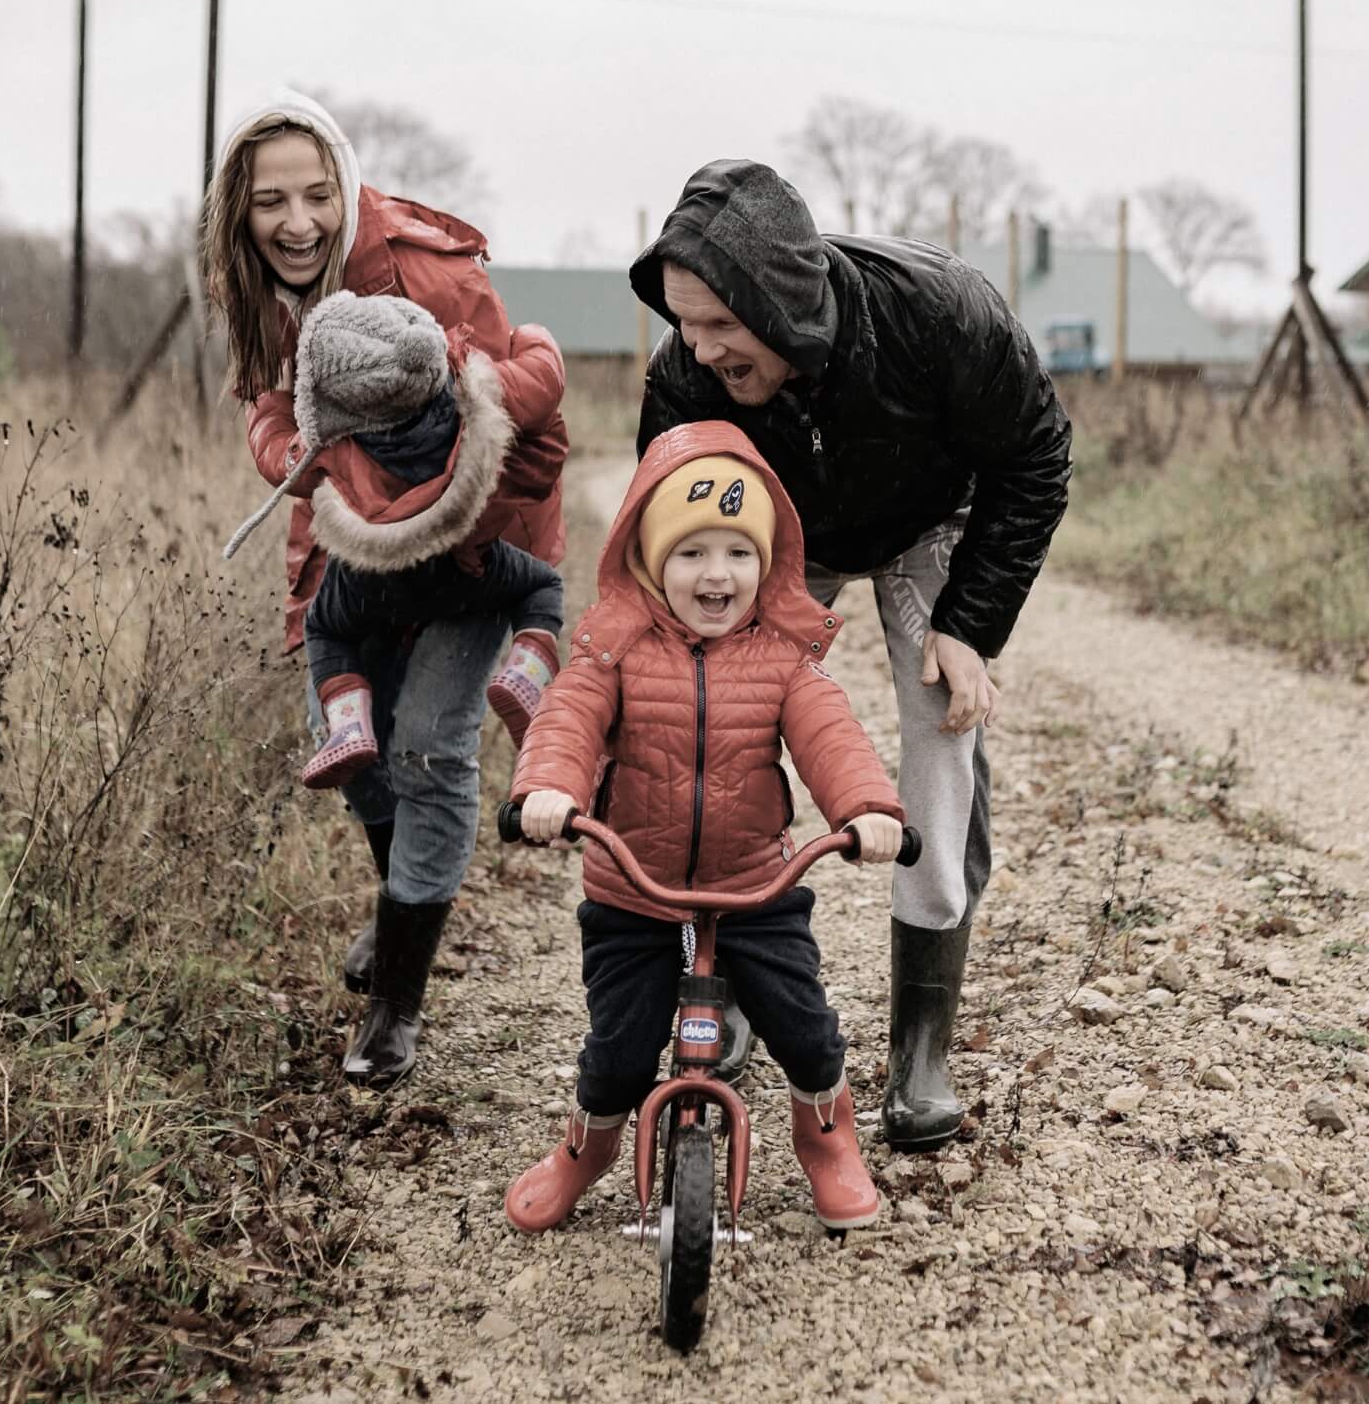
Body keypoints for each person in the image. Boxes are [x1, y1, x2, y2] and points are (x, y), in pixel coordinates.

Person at [631, 160, 1072, 1151]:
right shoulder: (684, 377)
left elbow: (1035, 460)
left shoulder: (944, 315)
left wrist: (969, 624)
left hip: (931, 517)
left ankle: (922, 1053)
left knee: (940, 733)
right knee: (721, 718)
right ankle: (725, 973)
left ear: (777, 298)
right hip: (778, 534)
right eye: (683, 324)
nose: (695, 348)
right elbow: (663, 522)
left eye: (716, 324)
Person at [207, 89, 568, 1088]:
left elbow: (525, 409)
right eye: (269, 201)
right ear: (236, 212)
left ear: (347, 188)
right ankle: (397, 909)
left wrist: (457, 532)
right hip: (350, 542)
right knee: (356, 750)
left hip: (470, 545)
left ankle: (396, 1005)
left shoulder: (413, 272)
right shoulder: (264, 288)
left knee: (426, 746)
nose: (296, 222)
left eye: (318, 195)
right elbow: (268, 406)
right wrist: (295, 454)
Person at [504, 423, 903, 1233]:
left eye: (736, 552)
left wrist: (865, 810)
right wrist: (547, 788)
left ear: (767, 563)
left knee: (806, 1029)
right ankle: (587, 1148)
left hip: (757, 886)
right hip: (632, 891)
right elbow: (568, 721)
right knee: (617, 1049)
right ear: (650, 561)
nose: (716, 574)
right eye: (690, 553)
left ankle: (826, 1141)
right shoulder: (611, 653)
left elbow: (832, 738)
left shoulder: (784, 660)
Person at [221, 289, 565, 787]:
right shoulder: (466, 406)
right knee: (542, 585)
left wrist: (263, 398)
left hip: (369, 579)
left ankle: (348, 722)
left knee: (324, 628)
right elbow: (544, 377)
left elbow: (276, 449)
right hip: (463, 568)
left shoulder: (331, 447)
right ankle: (528, 672)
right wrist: (527, 338)